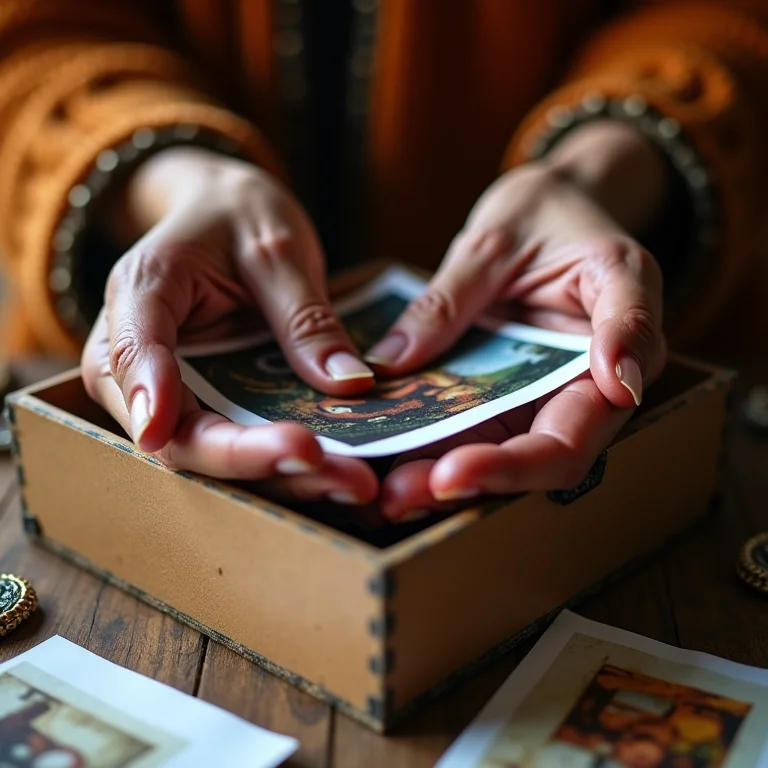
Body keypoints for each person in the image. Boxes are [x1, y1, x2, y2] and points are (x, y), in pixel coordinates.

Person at [0, 1, 765, 521]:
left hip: (677, 372)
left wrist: (596, 172)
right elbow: (34, 30)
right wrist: (167, 178)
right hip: (163, 318)